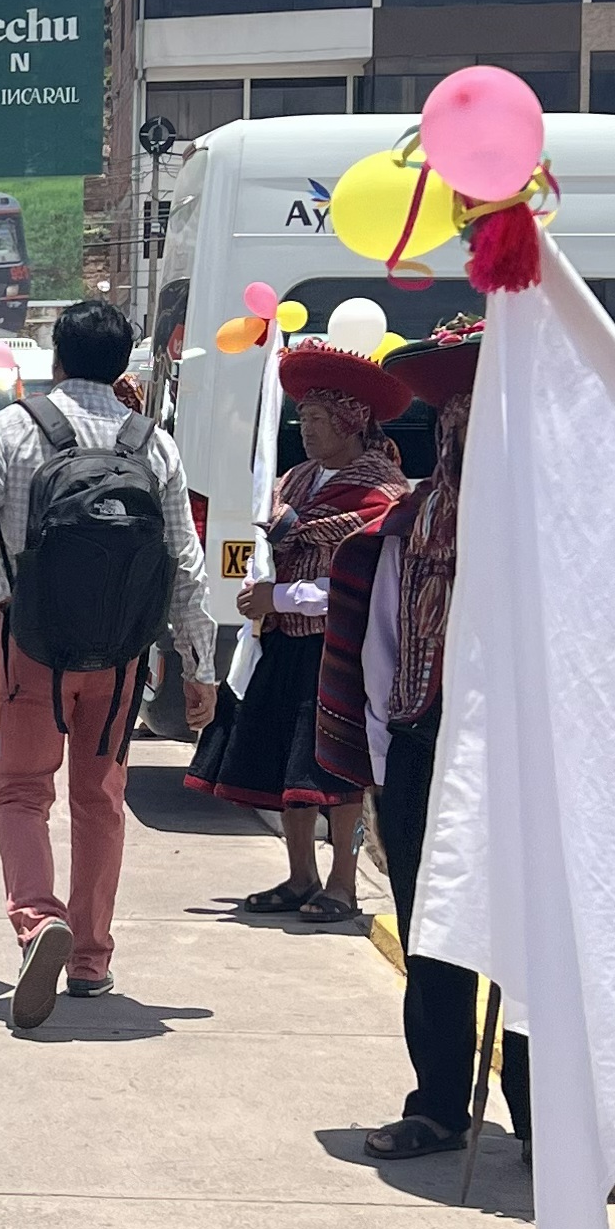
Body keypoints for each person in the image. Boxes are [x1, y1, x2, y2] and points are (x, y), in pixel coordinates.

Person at [0, 298, 215, 1029]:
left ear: (55, 358)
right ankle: (91, 958)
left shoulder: (13, 427)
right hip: (122, 655)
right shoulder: (150, 443)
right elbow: (184, 562)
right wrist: (200, 666)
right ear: (124, 363)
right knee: (101, 798)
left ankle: (38, 921)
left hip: (30, 646)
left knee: (21, 791)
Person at [312, 320, 527, 1160]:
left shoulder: (555, 526)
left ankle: (546, 1116)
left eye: (489, 418)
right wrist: (380, 751)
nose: (472, 435)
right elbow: (384, 647)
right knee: (432, 926)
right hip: (423, 740)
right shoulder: (411, 525)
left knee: (532, 939)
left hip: (521, 756)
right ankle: (440, 1102)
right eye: (462, 419)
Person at [185, 342, 408, 922]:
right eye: (301, 418)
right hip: (285, 640)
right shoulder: (298, 481)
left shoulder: (380, 493)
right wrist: (264, 596)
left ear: (349, 420)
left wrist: (280, 595)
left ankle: (342, 884)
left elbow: (360, 586)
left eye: (314, 419)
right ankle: (300, 875)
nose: (303, 430)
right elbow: (280, 542)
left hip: (340, 648)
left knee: (336, 768)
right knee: (290, 760)